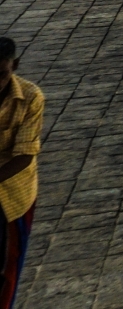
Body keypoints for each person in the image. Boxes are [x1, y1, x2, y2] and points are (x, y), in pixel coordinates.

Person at [0, 37, 42, 309]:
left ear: (15, 65)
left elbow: (25, 155)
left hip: (12, 196)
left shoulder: (30, 97)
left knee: (7, 267)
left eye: (1, 74)